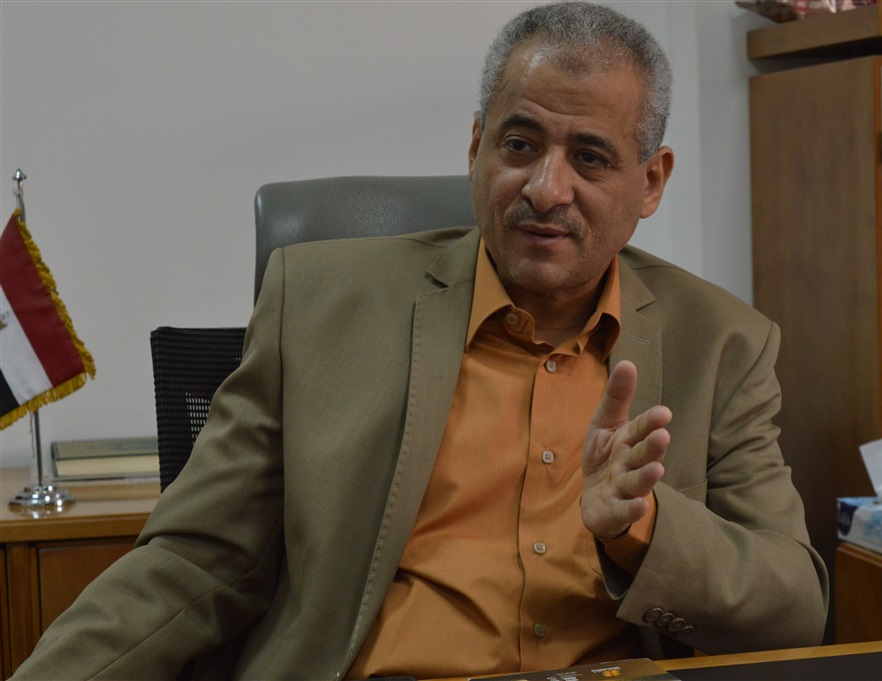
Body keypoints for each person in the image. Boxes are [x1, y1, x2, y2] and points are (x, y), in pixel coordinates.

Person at [12, 3, 827, 679]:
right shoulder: (320, 306)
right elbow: (196, 561)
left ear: (650, 182)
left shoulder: (723, 344)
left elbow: (795, 608)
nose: (547, 188)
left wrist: (641, 530)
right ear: (476, 148)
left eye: (589, 158)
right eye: (519, 145)